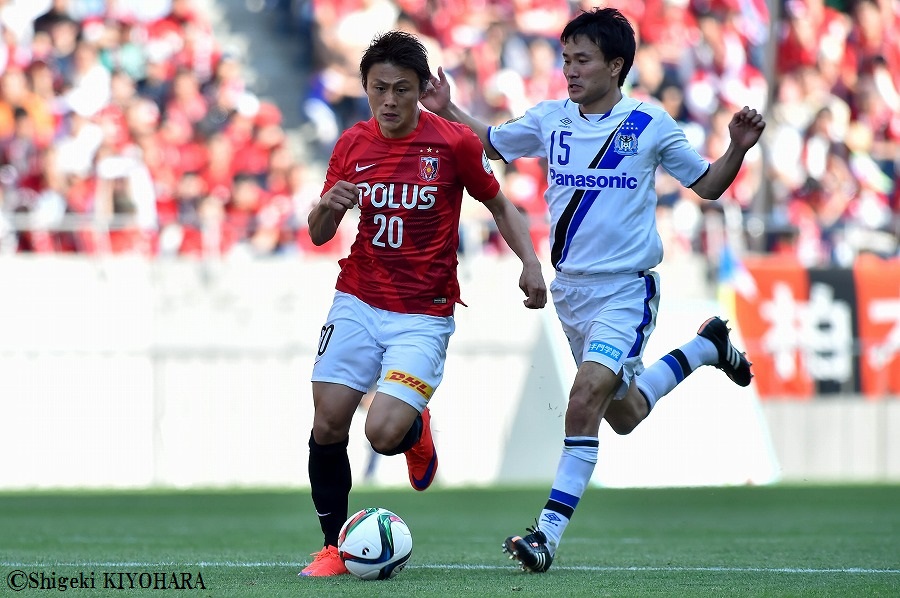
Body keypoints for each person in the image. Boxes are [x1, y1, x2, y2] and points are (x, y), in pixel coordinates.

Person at [420, 7, 764, 573]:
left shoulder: (647, 125)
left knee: (582, 400)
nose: (570, 71)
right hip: (571, 293)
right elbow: (493, 142)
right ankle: (707, 347)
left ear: (616, 64)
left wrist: (737, 149)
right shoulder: (552, 118)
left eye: (582, 60)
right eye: (565, 59)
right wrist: (448, 109)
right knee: (621, 414)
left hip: (626, 291)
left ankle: (546, 535)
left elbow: (707, 185)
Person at [300, 30, 547, 577]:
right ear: (364, 88)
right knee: (329, 420)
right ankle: (332, 548)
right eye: (379, 89)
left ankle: (415, 430)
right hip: (358, 299)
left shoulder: (453, 143)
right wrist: (327, 207)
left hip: (423, 313)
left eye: (402, 90)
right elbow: (318, 234)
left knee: (382, 434)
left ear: (420, 91)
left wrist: (530, 264)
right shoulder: (351, 146)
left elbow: (501, 205)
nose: (389, 101)